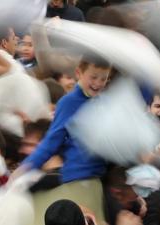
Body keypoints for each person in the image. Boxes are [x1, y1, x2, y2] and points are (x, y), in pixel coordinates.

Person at [18, 55, 112, 224]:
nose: (98, 83)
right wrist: (28, 166)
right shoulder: (69, 102)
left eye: (103, 79)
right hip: (77, 179)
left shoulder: (103, 103)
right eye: (93, 77)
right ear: (79, 73)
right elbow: (52, 141)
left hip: (95, 182)